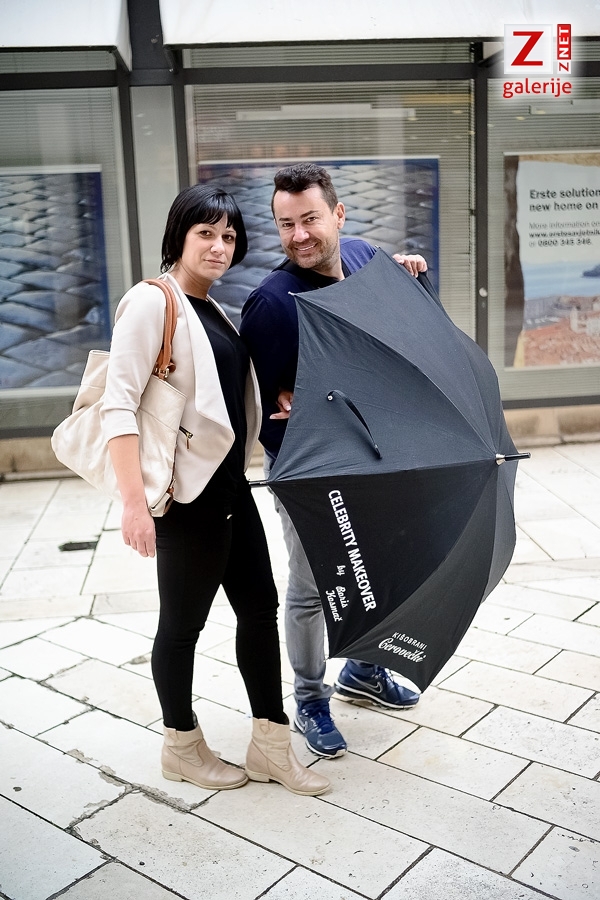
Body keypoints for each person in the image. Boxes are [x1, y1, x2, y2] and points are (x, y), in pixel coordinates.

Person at [100, 184, 329, 796]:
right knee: (182, 628)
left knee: (259, 610)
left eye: (228, 236)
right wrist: (133, 504)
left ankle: (271, 747)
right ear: (178, 236)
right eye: (205, 233)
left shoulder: (213, 308)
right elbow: (118, 407)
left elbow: (223, 397)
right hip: (188, 500)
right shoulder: (151, 302)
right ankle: (181, 746)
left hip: (231, 489)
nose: (219, 246)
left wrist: (280, 395)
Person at [240, 163, 427, 759]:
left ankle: (363, 670)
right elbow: (263, 402)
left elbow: (408, 335)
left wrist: (413, 276)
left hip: (374, 456)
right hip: (308, 469)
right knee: (311, 587)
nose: (298, 235)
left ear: (339, 215)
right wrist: (290, 399)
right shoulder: (272, 303)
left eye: (310, 219)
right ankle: (309, 697)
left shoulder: (369, 258)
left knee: (376, 571)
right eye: (285, 224)